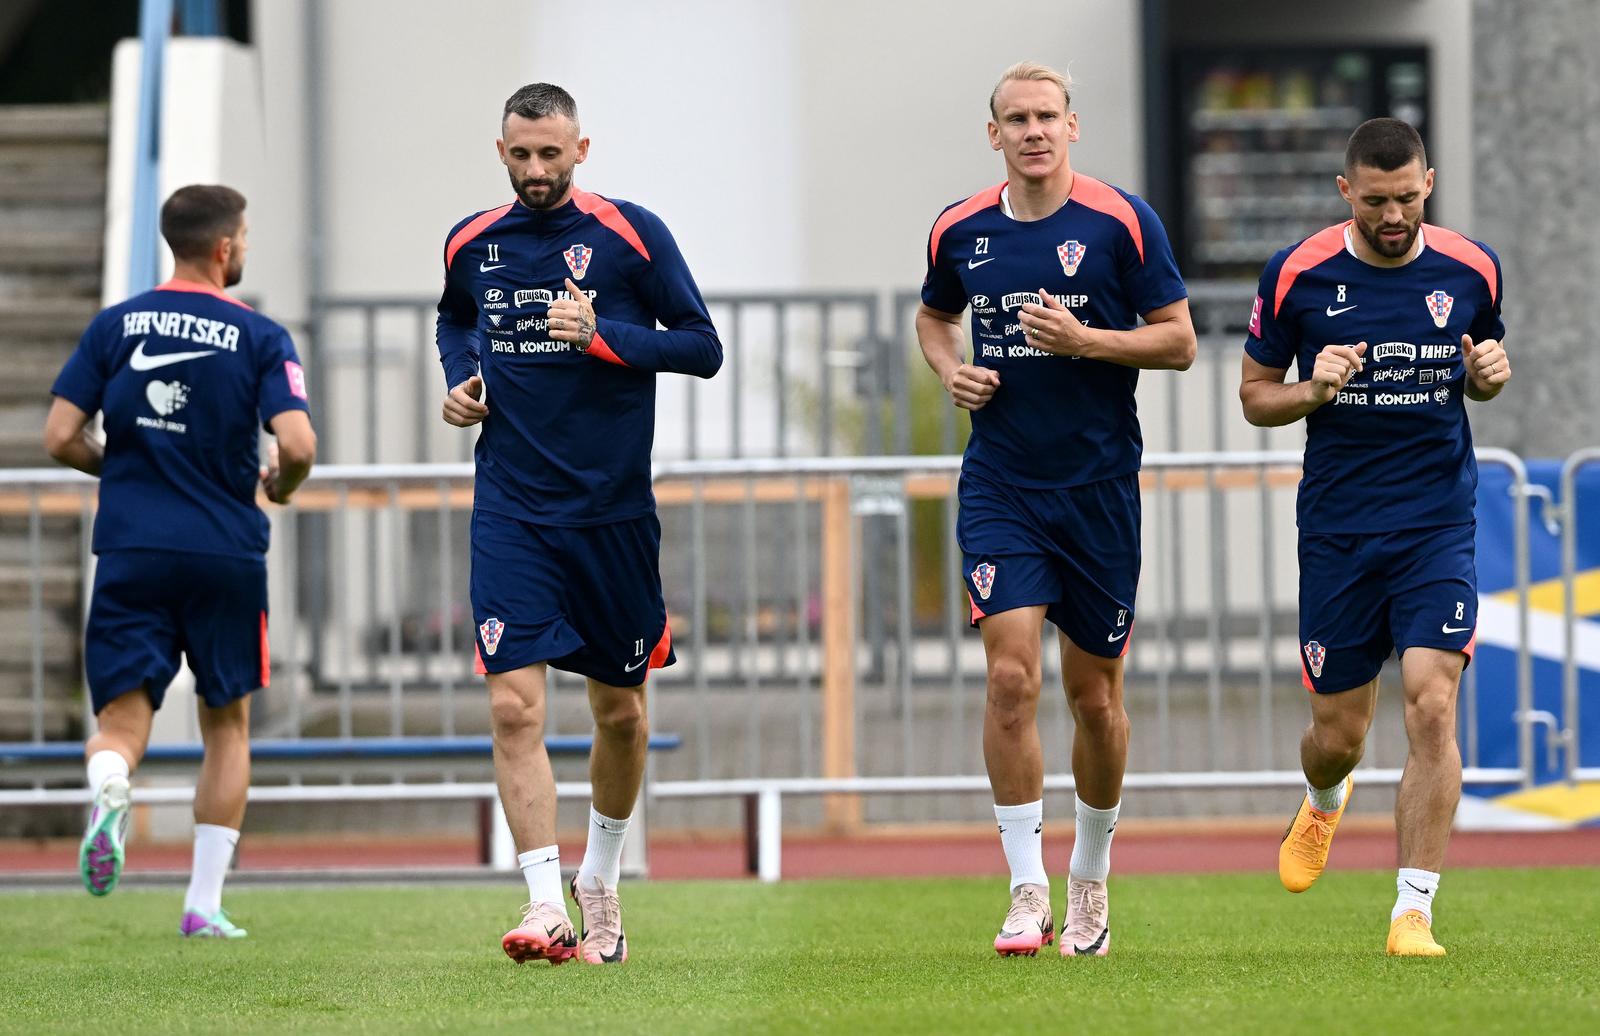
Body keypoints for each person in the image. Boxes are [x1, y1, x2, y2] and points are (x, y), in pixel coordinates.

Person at [436, 82, 722, 965]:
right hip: (512, 512)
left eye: (550, 154)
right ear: (501, 151)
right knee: (514, 708)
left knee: (621, 715)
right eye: (520, 155)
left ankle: (599, 877)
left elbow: (701, 346)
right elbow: (454, 320)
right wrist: (461, 377)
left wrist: (603, 336)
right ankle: (541, 901)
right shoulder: (472, 242)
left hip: (611, 515)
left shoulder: (631, 236)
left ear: (581, 150)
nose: (534, 171)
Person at [916, 62, 1195, 958]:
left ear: (1073, 127)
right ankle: (1026, 888)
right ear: (992, 134)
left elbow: (1181, 341)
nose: (1033, 131)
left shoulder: (1121, 222)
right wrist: (947, 368)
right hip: (1002, 483)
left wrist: (1087, 342)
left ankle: (1091, 880)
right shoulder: (960, 228)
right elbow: (933, 317)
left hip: (1099, 489)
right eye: (1016, 119)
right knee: (1009, 678)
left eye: (1047, 116)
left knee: (1095, 697)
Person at [1240, 118, 1510, 957]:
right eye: (1376, 201)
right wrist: (1311, 390)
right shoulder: (1298, 274)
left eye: (1406, 198)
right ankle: (1323, 801)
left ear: (1428, 182)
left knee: (1433, 704)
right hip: (1339, 529)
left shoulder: (1472, 269)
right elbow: (1254, 396)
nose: (1393, 216)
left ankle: (1413, 911)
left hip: (1437, 523)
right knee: (1339, 735)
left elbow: (1483, 370)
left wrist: (1484, 380)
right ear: (1345, 190)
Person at [45, 184, 317, 938]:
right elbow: (296, 445)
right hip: (224, 549)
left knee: (122, 721)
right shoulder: (259, 335)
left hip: (133, 546)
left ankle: (109, 783)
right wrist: (281, 487)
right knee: (226, 722)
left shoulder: (115, 325)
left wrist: (129, 468)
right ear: (225, 247)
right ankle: (201, 904)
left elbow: (61, 434)